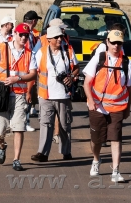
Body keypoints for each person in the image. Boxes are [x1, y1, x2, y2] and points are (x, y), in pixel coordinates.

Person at [83, 29, 131, 182]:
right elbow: (87, 83)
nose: (116, 46)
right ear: (107, 42)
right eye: (113, 43)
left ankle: (116, 171)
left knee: (115, 138)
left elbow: (130, 88)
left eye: (119, 43)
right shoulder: (99, 59)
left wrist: (128, 108)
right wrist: (91, 101)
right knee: (96, 139)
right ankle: (96, 160)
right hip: (97, 107)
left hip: (117, 107)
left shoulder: (127, 63)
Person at [0, 23, 37, 171]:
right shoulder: (2, 47)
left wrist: (18, 79)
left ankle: (16, 160)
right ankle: (2, 145)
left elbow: (33, 73)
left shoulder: (29, 53)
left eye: (26, 36)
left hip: (19, 95)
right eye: (21, 34)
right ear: (14, 34)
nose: (23, 38)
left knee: (19, 127)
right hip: (2, 94)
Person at [31, 26, 79, 162]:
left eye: (61, 37)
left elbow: (76, 68)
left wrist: (71, 77)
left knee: (64, 125)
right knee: (46, 124)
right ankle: (42, 153)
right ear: (49, 39)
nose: (60, 39)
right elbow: (34, 72)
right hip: (45, 95)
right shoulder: (41, 53)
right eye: (57, 37)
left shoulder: (68, 51)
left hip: (63, 95)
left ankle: (66, 152)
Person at [23, 10, 42, 132]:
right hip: (26, 68)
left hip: (24, 67)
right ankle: (25, 122)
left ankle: (24, 121)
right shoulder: (28, 34)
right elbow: (29, 52)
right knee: (27, 95)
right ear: (34, 21)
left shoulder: (22, 32)